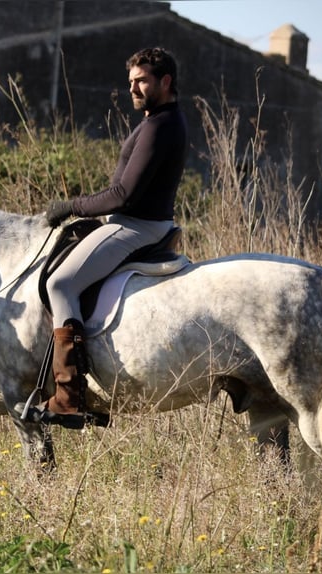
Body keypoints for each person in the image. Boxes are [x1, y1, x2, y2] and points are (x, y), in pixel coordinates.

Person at [30, 46, 189, 429]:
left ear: (165, 81)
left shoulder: (159, 126)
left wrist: (71, 205)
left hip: (135, 225)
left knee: (60, 282)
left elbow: (123, 195)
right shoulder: (159, 120)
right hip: (137, 221)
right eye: (131, 81)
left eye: (142, 81)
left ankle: (68, 396)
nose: (133, 88)